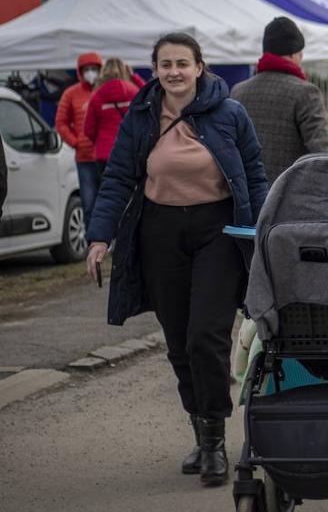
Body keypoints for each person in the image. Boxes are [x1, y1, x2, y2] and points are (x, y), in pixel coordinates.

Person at [84, 32, 266, 487]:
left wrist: (264, 230)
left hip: (218, 232)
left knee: (207, 333)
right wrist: (99, 236)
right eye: (165, 64)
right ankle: (201, 430)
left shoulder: (229, 113)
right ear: (155, 70)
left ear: (200, 67)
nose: (174, 72)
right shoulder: (141, 116)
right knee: (179, 341)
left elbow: (256, 175)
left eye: (182, 63)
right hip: (159, 233)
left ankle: (215, 441)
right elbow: (119, 177)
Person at [232, 17, 328, 181]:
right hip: (289, 194)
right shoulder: (305, 92)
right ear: (296, 54)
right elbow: (323, 151)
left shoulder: (238, 91)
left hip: (248, 193)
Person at [54, 52, 103, 227]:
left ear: (100, 69)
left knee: (110, 202)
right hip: (85, 159)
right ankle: (93, 244)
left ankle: (113, 242)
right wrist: (75, 142)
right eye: (86, 69)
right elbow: (61, 122)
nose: (90, 72)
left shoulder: (106, 89)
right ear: (80, 72)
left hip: (108, 157)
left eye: (94, 69)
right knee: (89, 203)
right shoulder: (71, 94)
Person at [83, 58, 141, 173]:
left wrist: (100, 140)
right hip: (130, 151)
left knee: (109, 189)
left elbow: (88, 130)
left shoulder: (97, 96)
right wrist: (134, 77)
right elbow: (149, 97)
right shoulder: (134, 92)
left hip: (105, 153)